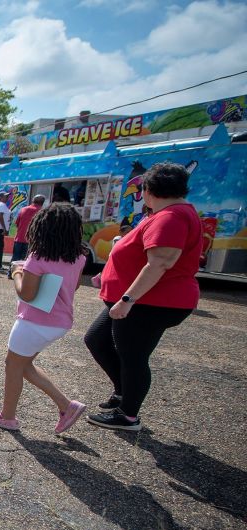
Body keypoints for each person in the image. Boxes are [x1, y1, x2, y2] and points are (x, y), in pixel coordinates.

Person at [83, 162, 201, 431]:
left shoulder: (171, 216)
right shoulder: (166, 213)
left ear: (149, 190)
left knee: (133, 356)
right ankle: (124, 393)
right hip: (137, 299)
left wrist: (127, 299)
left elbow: (160, 262)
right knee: (97, 339)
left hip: (149, 302)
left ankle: (128, 415)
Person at [0, 203, 87, 433]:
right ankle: (67, 406)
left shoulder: (38, 256)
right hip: (59, 321)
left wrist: (17, 271)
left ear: (41, 228)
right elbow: (72, 288)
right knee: (23, 365)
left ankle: (7, 416)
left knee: (13, 365)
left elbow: (26, 293)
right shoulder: (79, 256)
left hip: (34, 322)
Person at [8, 194, 44, 278]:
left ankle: (10, 273)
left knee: (15, 258)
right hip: (31, 240)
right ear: (42, 203)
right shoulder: (41, 212)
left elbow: (17, 223)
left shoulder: (23, 209)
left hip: (19, 237)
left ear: (33, 201)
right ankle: (22, 275)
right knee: (26, 260)